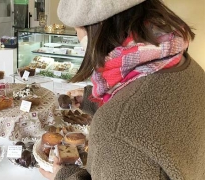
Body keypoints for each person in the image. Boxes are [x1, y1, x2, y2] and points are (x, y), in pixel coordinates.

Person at [40, 0, 205, 179]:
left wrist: (64, 175)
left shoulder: (116, 132)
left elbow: (129, 125)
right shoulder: (186, 66)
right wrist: (92, 100)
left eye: (77, 29)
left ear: (96, 29)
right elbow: (153, 113)